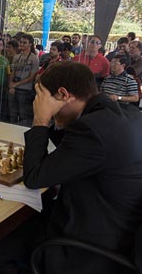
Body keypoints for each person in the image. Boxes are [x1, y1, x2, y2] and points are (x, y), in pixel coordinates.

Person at [23, 62, 142, 274]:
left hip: (88, 248)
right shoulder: (117, 114)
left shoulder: (92, 129)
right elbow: (76, 153)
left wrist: (41, 119)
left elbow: (34, 176)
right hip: (121, 232)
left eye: (41, 98)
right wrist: (56, 121)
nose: (37, 103)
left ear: (63, 94)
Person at [8, 34, 39, 126]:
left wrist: (16, 84)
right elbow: (12, 72)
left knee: (23, 114)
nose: (21, 44)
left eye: (24, 43)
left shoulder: (34, 58)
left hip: (25, 89)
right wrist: (11, 84)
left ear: (30, 44)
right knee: (12, 113)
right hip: (14, 88)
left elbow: (31, 77)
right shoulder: (16, 57)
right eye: (21, 42)